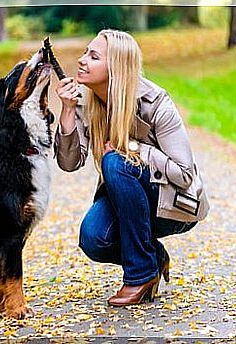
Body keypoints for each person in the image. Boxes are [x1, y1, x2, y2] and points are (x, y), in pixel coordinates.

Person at [54, 29, 209, 306]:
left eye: (93, 56)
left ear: (115, 66)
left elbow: (185, 174)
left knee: (115, 161)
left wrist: (135, 149)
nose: (81, 60)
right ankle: (152, 256)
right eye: (85, 53)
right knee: (93, 239)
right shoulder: (86, 103)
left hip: (173, 208)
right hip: (130, 201)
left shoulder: (155, 103)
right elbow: (69, 163)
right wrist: (66, 111)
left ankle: (140, 275)